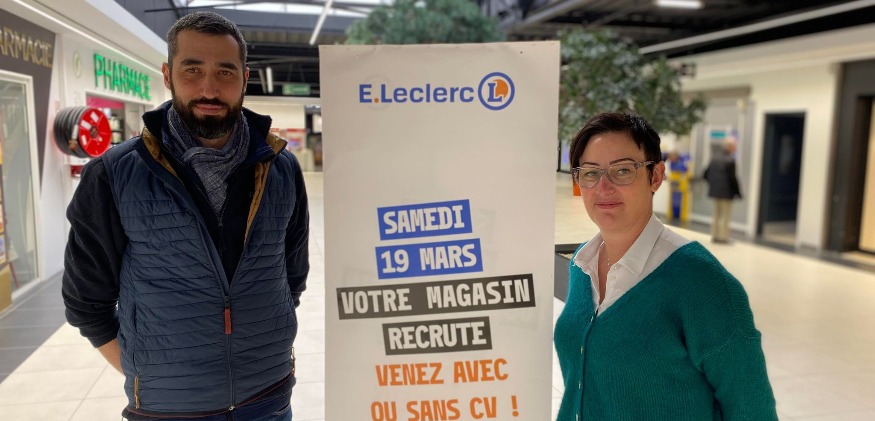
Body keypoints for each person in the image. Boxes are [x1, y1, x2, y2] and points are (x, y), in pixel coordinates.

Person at [62, 11, 309, 421]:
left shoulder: (281, 169)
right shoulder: (113, 175)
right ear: (168, 75)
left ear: (245, 79)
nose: (209, 88)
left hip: (269, 398)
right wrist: (151, 374)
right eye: (192, 69)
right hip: (168, 409)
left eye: (225, 71)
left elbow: (291, 278)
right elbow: (86, 302)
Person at [554, 112, 776, 420]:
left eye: (623, 170)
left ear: (656, 176)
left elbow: (752, 409)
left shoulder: (701, 282)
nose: (603, 187)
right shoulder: (583, 263)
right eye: (591, 173)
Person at [704, 139, 742, 243]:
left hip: (715, 192)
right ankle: (722, 238)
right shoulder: (730, 160)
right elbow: (733, 179)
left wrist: (713, 185)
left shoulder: (714, 158)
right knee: (724, 215)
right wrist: (738, 193)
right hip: (726, 192)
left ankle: (715, 236)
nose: (735, 148)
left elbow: (705, 174)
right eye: (734, 146)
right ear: (729, 147)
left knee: (716, 214)